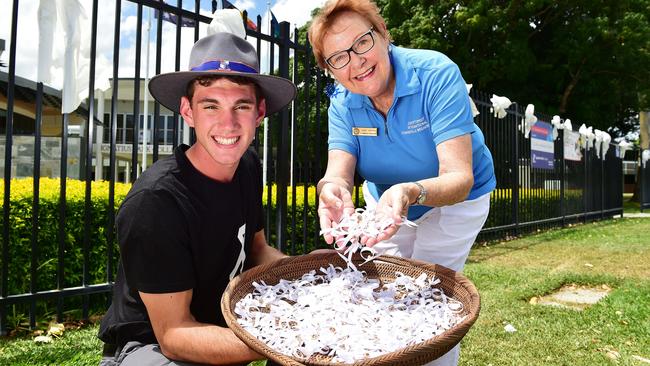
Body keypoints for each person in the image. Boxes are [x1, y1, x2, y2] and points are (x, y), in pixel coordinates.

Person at [308, 0, 496, 364]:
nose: (356, 61)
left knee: (429, 296)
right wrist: (331, 191)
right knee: (383, 293)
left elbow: (459, 176)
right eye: (338, 58)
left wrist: (411, 191)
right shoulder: (343, 103)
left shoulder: (435, 72)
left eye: (362, 42)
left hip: (458, 200)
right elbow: (338, 173)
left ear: (384, 35)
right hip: (386, 205)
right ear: (330, 70)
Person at [97, 32, 297, 366]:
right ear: (188, 111)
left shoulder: (246, 165)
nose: (228, 124)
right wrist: (282, 339)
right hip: (150, 348)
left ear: (259, 112)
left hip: (220, 324)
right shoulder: (156, 201)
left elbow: (257, 249)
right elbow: (174, 335)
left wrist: (313, 273)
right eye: (211, 105)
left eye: (241, 106)